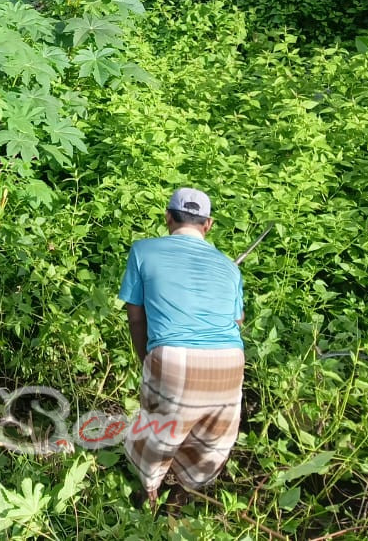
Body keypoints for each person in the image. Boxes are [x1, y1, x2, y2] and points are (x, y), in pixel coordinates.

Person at [118, 187, 244, 505]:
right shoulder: (229, 266)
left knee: (157, 429)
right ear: (208, 224)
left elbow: (136, 318)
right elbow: (237, 321)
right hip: (231, 360)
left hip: (174, 357)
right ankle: (182, 499)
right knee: (209, 440)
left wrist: (146, 358)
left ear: (167, 218)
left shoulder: (143, 250)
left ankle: (148, 495)